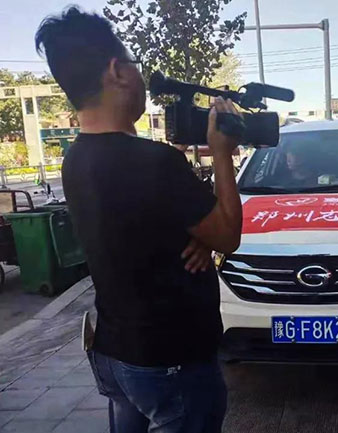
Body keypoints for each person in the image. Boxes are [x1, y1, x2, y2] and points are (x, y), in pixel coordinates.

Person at [35, 7, 242, 433]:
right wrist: (222, 152)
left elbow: (141, 227)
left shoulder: (75, 159)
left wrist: (198, 235)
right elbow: (228, 235)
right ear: (117, 71)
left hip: (115, 351)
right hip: (171, 357)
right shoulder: (153, 162)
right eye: (134, 64)